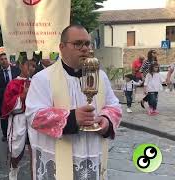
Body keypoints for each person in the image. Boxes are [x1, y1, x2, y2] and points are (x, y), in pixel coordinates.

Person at [25, 25, 122, 180]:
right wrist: (71, 118)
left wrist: (106, 121)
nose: (84, 48)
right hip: (59, 159)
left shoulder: (100, 76)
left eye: (87, 43)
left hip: (92, 153)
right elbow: (34, 115)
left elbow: (114, 106)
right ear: (62, 47)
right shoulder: (43, 78)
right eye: (78, 44)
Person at [1, 55, 36, 180]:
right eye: (28, 65)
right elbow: (7, 104)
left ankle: (35, 173)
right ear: (21, 65)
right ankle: (13, 168)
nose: (31, 68)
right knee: (17, 148)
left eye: (33, 66)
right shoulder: (13, 83)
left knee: (35, 147)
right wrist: (22, 96)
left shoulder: (36, 82)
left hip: (33, 119)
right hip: (19, 118)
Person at [0, 53, 20, 142]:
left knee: (16, 116)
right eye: (2, 59)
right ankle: (5, 134)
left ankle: (15, 132)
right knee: (4, 117)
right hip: (2, 99)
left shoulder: (16, 70)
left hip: (15, 98)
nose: (4, 61)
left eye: (5, 59)